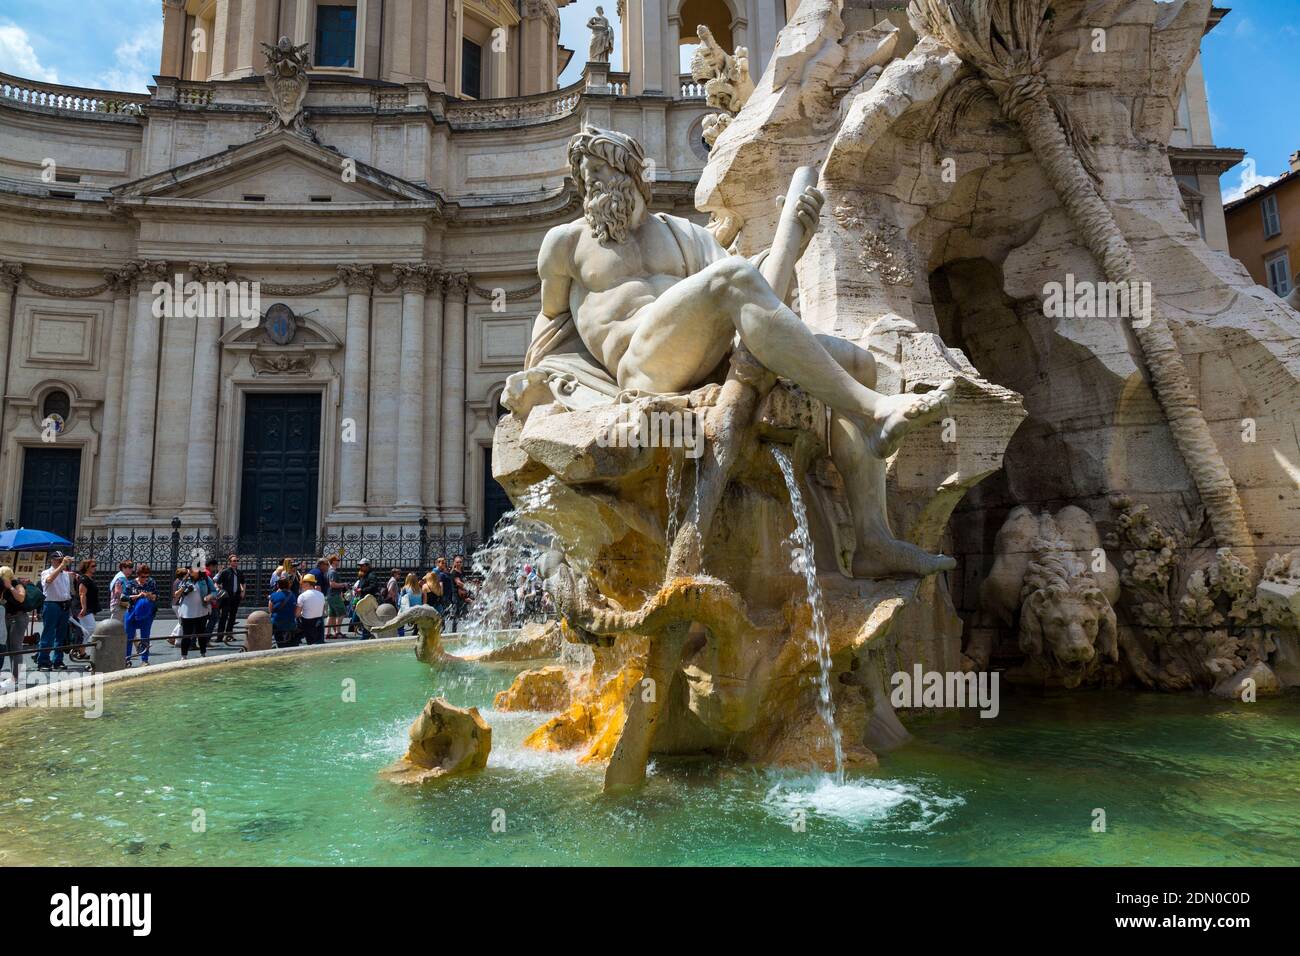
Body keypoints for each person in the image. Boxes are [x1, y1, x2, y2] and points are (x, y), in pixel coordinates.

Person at [38, 552, 75, 672]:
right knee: (48, 634)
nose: (61, 562)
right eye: (58, 560)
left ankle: (57, 660)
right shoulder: (46, 572)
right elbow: (48, 580)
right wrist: (61, 566)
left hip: (64, 604)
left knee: (61, 635)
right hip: (51, 604)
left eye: (62, 560)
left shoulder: (65, 574)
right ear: (52, 560)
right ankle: (43, 660)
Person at [174, 566, 214, 659]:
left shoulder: (206, 579)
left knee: (201, 633)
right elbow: (177, 594)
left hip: (201, 610)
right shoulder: (185, 580)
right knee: (186, 635)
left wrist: (209, 597)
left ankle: (203, 653)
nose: (190, 570)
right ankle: (184, 656)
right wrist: (183, 588)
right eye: (190, 569)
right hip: (186, 611)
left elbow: (214, 591)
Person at [122, 564, 158, 666]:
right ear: (138, 575)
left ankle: (144, 660)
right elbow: (123, 597)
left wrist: (149, 595)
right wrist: (137, 596)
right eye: (143, 576)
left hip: (147, 613)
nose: (145, 579)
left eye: (147, 576)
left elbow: (156, 596)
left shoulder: (151, 582)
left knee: (145, 637)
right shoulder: (130, 584)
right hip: (132, 612)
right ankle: (127, 659)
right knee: (129, 636)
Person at [1, 567, 28, 683]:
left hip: (18, 618)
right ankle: (14, 676)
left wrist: (10, 587)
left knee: (16, 647)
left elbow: (21, 598)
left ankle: (17, 677)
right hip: (7, 617)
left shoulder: (17, 584)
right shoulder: (2, 585)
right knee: (9, 647)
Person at [214, 554, 245, 637]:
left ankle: (229, 634)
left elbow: (243, 582)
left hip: (236, 596)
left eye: (237, 561)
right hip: (227, 596)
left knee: (232, 616)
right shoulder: (225, 572)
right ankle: (220, 636)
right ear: (230, 562)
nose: (236, 562)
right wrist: (220, 591)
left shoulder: (239, 572)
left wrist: (243, 592)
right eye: (234, 561)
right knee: (224, 616)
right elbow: (217, 583)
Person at [73, 559, 100, 644]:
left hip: (89, 607)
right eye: (93, 566)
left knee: (86, 629)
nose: (95, 567)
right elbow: (82, 594)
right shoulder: (84, 578)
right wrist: (84, 608)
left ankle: (80, 651)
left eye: (95, 565)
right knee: (91, 628)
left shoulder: (89, 578)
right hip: (82, 607)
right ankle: (78, 646)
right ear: (86, 567)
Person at [296, 574, 327, 645]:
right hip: (319, 620)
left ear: (307, 584)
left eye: (303, 583)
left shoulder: (302, 596)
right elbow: (323, 610)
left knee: (310, 644)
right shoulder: (321, 594)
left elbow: (297, 614)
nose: (301, 585)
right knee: (320, 643)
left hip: (308, 622)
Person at [268, 577, 299, 647]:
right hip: (290, 622)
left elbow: (270, 610)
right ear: (288, 585)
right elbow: (295, 609)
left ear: (278, 585)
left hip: (276, 622)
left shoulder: (273, 596)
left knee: (279, 640)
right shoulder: (293, 595)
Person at [325, 554, 346, 638]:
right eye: (338, 560)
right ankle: (338, 632)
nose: (339, 561)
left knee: (331, 615)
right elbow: (332, 584)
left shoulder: (329, 571)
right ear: (333, 561)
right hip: (334, 595)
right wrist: (343, 584)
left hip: (330, 595)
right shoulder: (333, 572)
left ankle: (327, 633)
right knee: (342, 613)